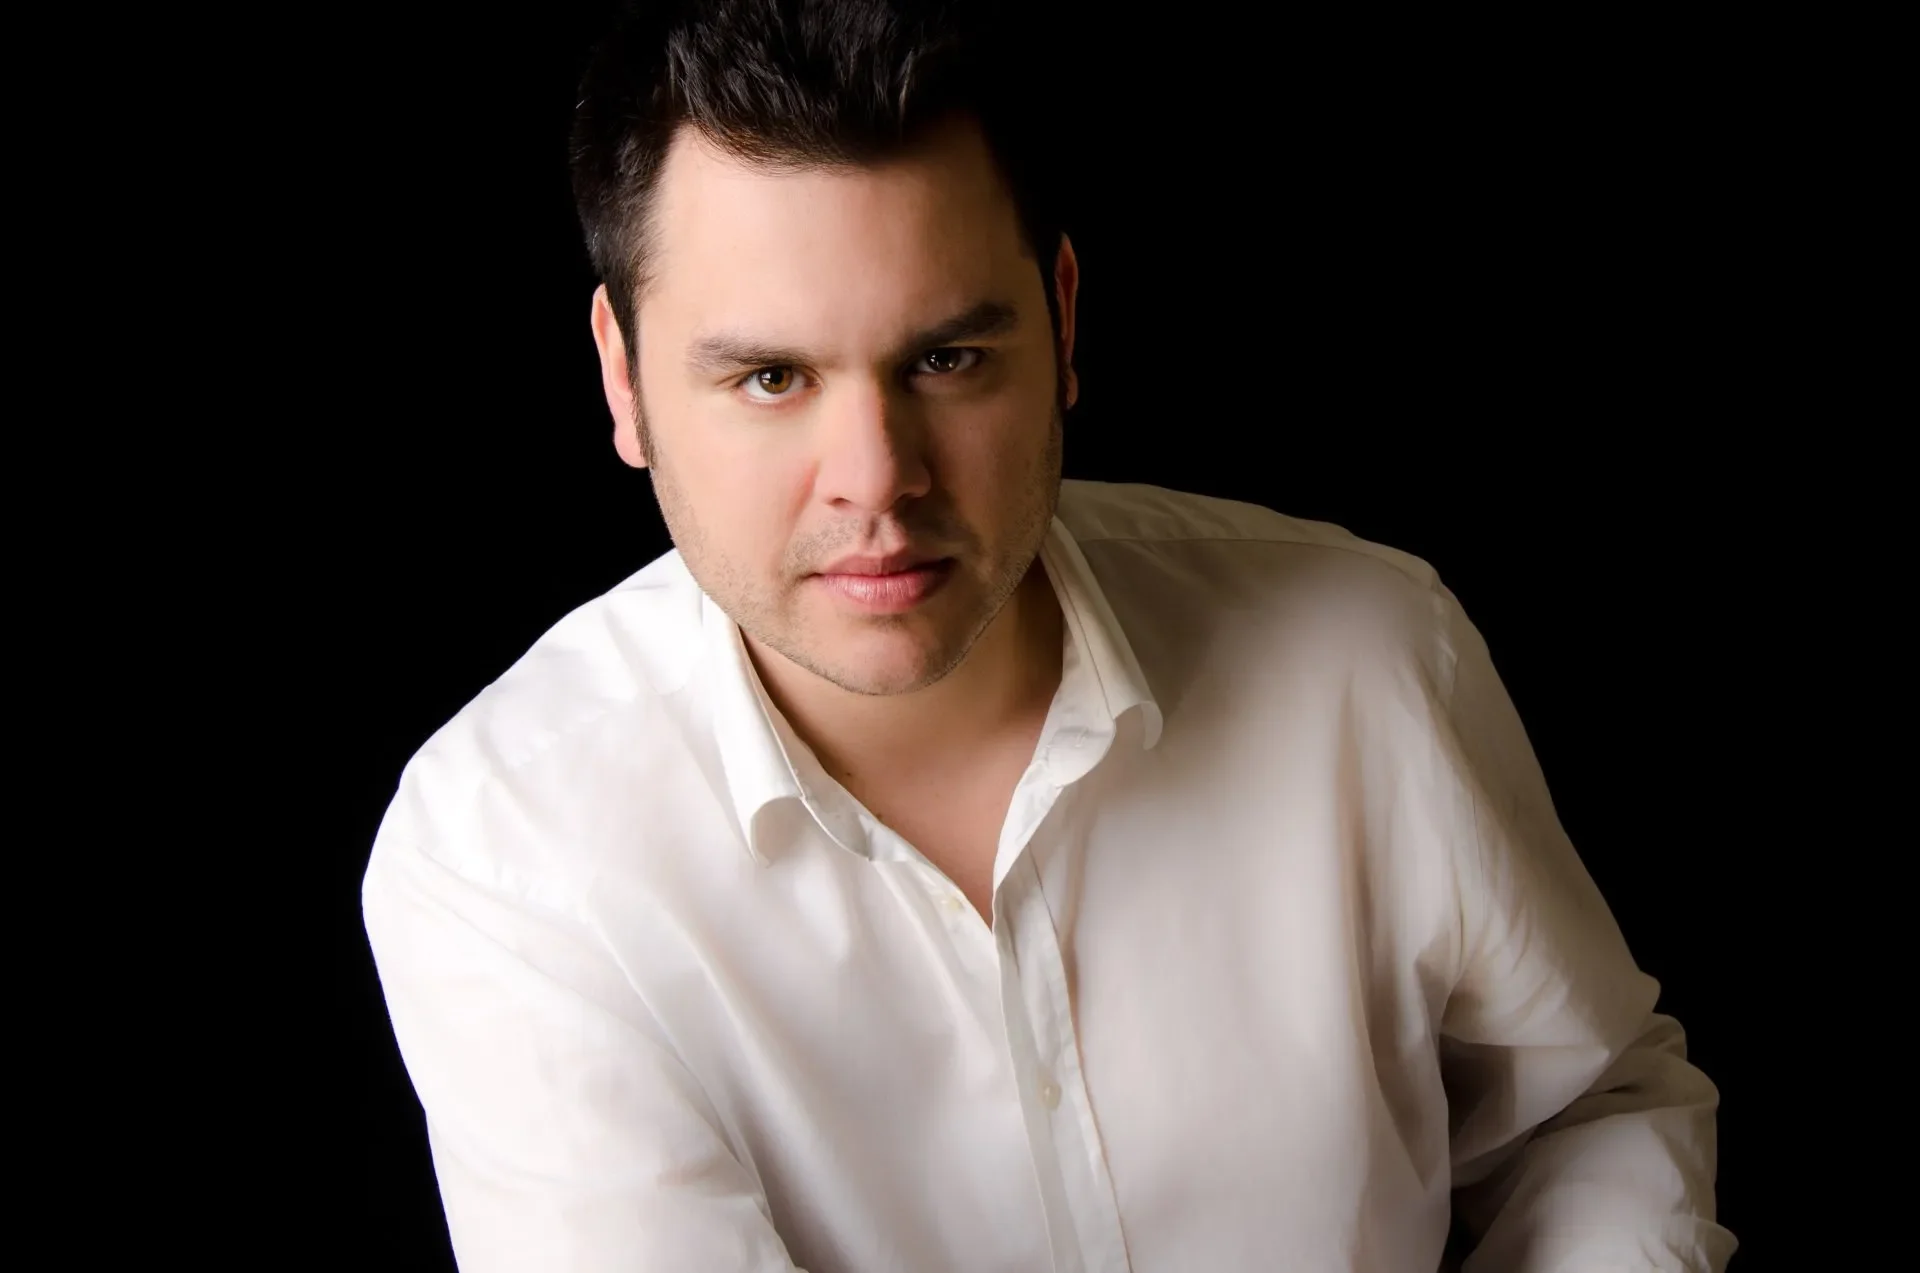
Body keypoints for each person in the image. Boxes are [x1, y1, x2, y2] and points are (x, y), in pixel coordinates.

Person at [362, 2, 1734, 1269]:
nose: (875, 478)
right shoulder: (507, 860)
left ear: (1063, 321)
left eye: (946, 359)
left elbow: (1591, 1114)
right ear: (624, 376)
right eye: (770, 378)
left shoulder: (1367, 655)